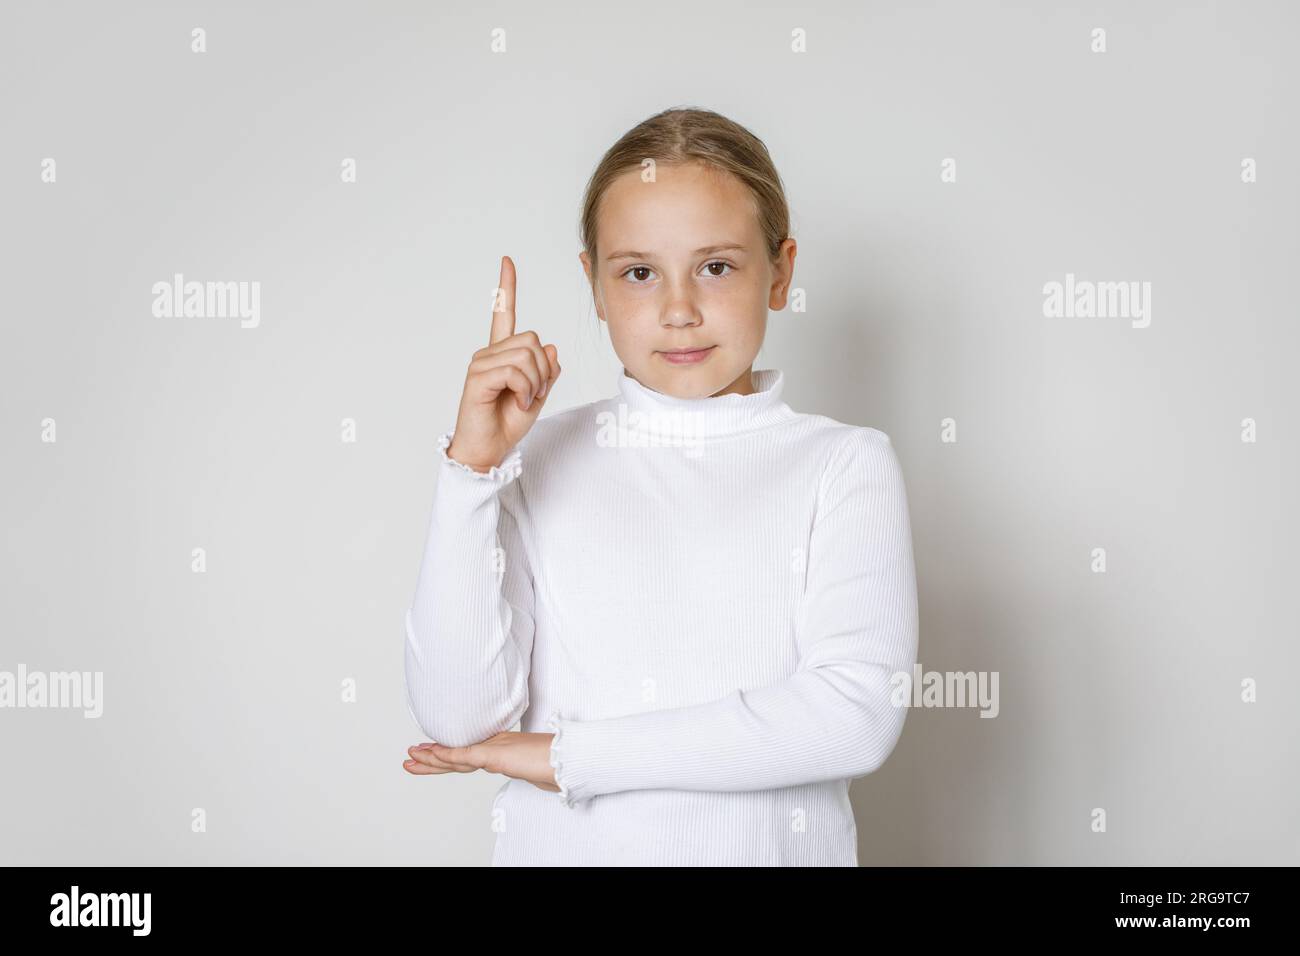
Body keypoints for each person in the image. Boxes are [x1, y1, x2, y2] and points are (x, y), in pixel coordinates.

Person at [402, 107, 918, 866]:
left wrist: (571, 757)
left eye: (717, 266)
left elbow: (853, 717)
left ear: (780, 272)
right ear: (596, 283)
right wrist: (472, 472)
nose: (679, 311)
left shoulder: (844, 466)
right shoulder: (532, 460)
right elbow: (458, 719)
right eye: (639, 272)